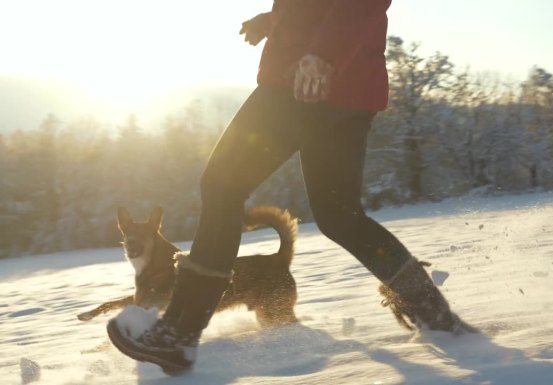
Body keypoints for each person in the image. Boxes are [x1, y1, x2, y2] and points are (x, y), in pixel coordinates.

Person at [107, 0, 476, 375]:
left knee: (221, 185)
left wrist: (320, 53)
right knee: (340, 217)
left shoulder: (312, 63)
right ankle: (438, 318)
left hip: (303, 77)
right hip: (346, 84)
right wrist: (277, 21)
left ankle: (178, 334)